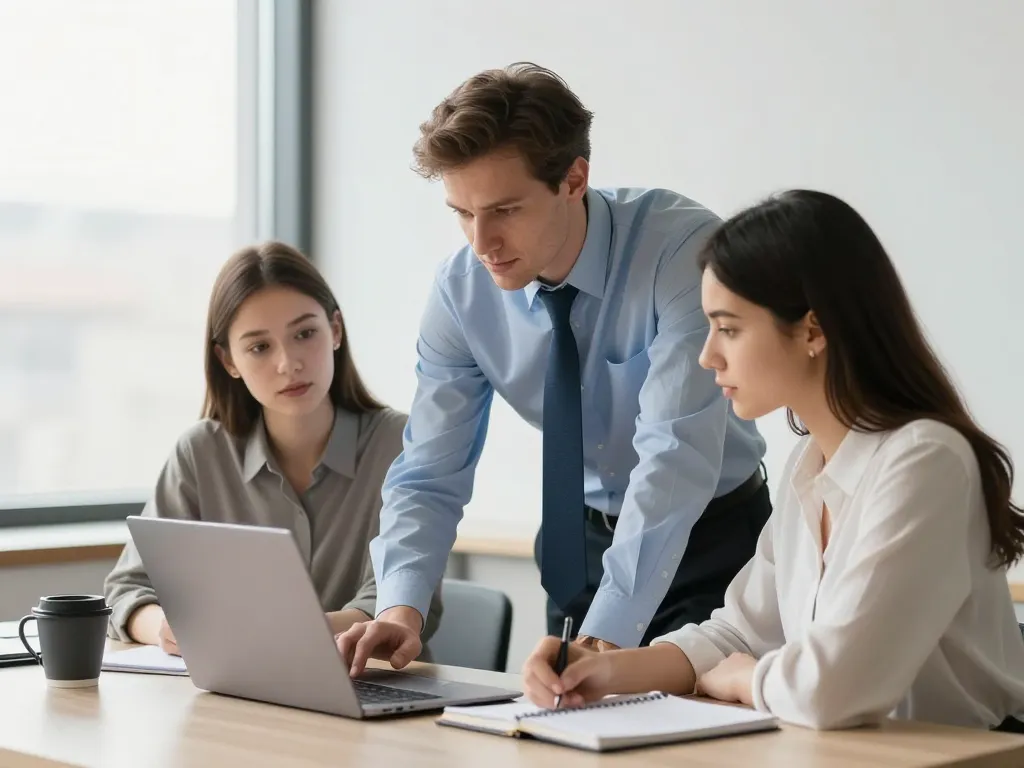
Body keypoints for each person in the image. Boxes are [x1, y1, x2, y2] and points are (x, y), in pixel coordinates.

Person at [521, 189, 1024, 731]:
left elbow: (831, 690)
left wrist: (744, 679)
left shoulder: (925, 462)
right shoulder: (811, 464)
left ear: (812, 330)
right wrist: (603, 670)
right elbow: (736, 634)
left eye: (729, 328)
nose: (708, 355)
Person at [337, 62, 769, 677]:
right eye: (462, 213)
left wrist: (604, 637)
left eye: (505, 210)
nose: (481, 242)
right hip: (577, 550)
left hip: (711, 540)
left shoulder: (681, 251)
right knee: (563, 722)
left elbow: (675, 456)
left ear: (574, 179)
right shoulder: (461, 293)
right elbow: (430, 470)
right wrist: (399, 608)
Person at [104, 241, 441, 661]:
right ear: (229, 361)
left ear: (335, 330)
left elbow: (396, 600)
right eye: (259, 347)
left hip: (371, 679)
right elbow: (127, 588)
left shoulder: (399, 443)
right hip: (241, 689)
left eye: (304, 334)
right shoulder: (200, 453)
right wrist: (166, 628)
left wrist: (262, 634)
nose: (288, 363)